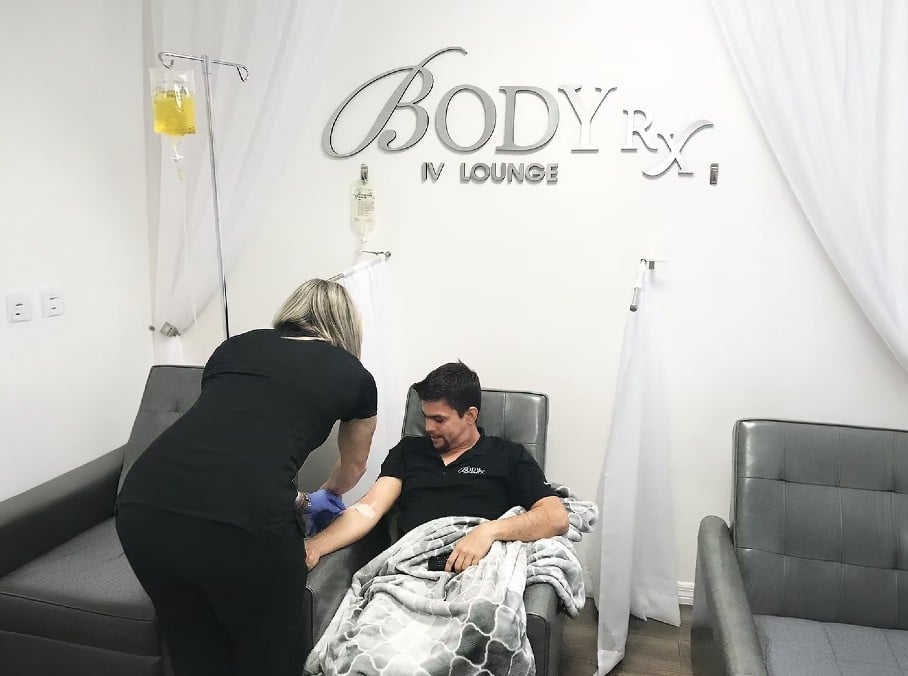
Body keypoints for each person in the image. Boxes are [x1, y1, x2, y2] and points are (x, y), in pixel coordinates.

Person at [115, 279, 377, 676]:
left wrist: (297, 499)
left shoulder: (235, 346)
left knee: (193, 647)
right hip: (245, 525)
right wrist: (328, 493)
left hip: (143, 505)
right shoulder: (354, 375)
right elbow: (354, 466)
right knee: (269, 654)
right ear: (346, 326)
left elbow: (226, 446)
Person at [305, 361, 568, 573]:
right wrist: (315, 545)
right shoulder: (409, 451)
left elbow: (555, 517)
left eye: (439, 419)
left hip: (476, 570)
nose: (428, 427)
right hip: (411, 569)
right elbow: (368, 509)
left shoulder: (508, 455)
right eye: (425, 417)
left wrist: (489, 531)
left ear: (470, 415)